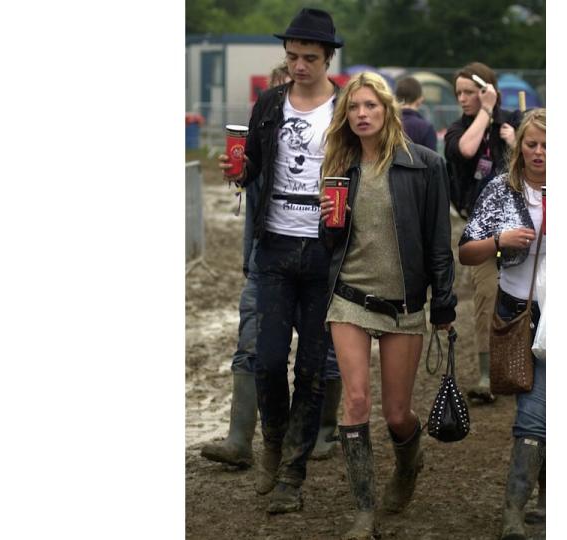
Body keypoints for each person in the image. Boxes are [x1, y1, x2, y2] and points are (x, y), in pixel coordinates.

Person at [318, 72, 457, 540]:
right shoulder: (339, 164)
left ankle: (407, 465)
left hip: (403, 304)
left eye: (370, 106)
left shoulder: (425, 165)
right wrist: (330, 224)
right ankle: (363, 511)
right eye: (353, 107)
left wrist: (445, 304)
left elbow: (439, 241)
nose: (361, 114)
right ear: (345, 115)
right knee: (356, 401)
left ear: (388, 110)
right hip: (350, 298)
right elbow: (331, 245)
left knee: (397, 413)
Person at [217, 7, 344, 514]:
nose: (299, 66)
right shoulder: (269, 102)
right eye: (292, 56)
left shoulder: (346, 108)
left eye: (309, 58)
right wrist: (241, 167)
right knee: (267, 359)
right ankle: (271, 442)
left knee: (313, 369)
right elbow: (255, 169)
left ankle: (292, 474)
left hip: (324, 250)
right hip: (272, 245)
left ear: (327, 57)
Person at [457, 109, 546, 540]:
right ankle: (528, 502)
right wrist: (499, 242)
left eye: (548, 145)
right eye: (532, 144)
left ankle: (516, 510)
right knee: (534, 406)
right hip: (518, 313)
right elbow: (466, 251)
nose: (539, 153)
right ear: (519, 146)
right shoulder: (500, 191)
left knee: (536, 412)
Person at [444, 62, 523, 404]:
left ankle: (526, 365)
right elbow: (465, 150)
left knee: (527, 300)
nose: (462, 98)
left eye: (469, 92)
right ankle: (487, 375)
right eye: (458, 92)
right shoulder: (457, 130)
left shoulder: (515, 121)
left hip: (523, 227)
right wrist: (485, 111)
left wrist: (515, 140)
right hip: (482, 230)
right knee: (485, 299)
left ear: (487, 88)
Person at [394, 76, 437, 151]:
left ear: (396, 97)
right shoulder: (426, 127)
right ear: (420, 99)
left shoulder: (387, 123)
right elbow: (432, 160)